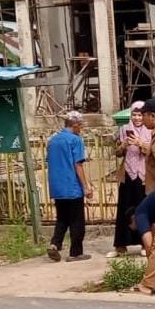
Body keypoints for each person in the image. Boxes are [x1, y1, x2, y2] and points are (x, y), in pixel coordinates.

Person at [46, 111, 93, 263]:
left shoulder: (52, 141)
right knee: (76, 220)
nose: (81, 129)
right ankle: (76, 252)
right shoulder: (75, 140)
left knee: (62, 219)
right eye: (80, 126)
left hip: (57, 186)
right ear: (75, 125)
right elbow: (78, 164)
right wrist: (85, 187)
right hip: (71, 185)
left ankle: (55, 244)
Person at [110, 102, 152, 257]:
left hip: (144, 174)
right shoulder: (123, 129)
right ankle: (120, 245)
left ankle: (144, 243)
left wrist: (139, 143)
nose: (137, 118)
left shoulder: (150, 130)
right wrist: (124, 145)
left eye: (140, 115)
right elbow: (117, 153)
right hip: (127, 173)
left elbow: (152, 152)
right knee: (124, 208)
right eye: (134, 115)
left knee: (142, 208)